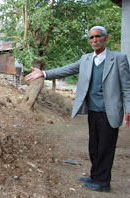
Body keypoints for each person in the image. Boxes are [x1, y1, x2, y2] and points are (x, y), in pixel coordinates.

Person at [25, 26, 130, 192]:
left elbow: (127, 87)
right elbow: (67, 69)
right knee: (94, 146)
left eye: (98, 37)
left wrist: (128, 109)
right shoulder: (86, 59)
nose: (94, 40)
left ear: (105, 38)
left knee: (105, 147)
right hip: (93, 111)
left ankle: (103, 182)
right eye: (91, 38)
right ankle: (95, 176)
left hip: (110, 111)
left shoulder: (119, 58)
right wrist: (44, 74)